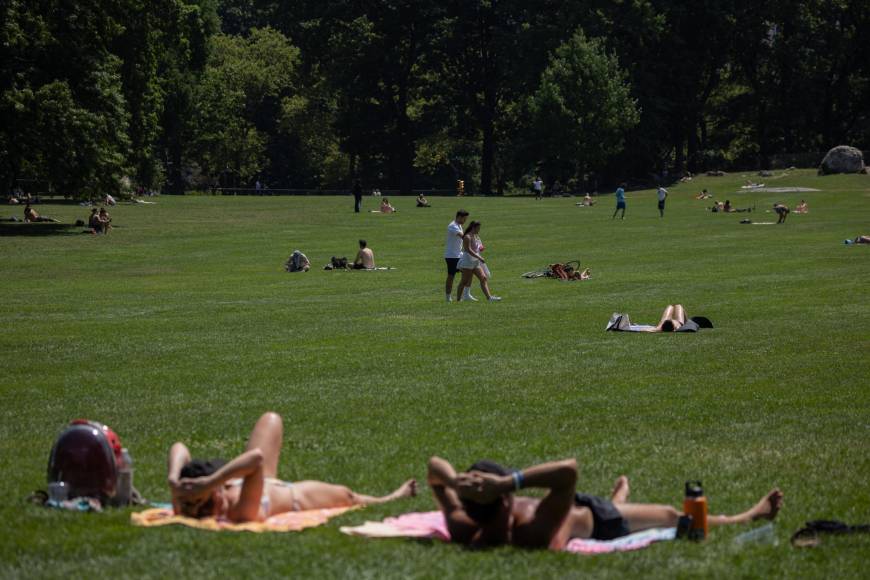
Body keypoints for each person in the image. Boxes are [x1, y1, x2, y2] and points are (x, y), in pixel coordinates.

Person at [427, 456, 782, 550]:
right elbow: (568, 470)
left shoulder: (463, 518)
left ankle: (617, 496)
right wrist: (508, 481)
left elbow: (433, 467)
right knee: (674, 518)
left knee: (592, 502)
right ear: (505, 500)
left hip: (569, 504)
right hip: (598, 520)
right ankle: (747, 516)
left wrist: (456, 480)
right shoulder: (532, 530)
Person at [167, 412, 416, 522]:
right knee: (347, 496)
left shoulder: (183, 500)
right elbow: (255, 459)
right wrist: (211, 484)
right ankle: (390, 498)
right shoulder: (240, 512)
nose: (215, 503)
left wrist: (173, 480)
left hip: (261, 480)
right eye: (210, 503)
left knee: (270, 419)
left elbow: (179, 447)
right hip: (291, 495)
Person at [455, 221, 500, 302]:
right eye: (478, 228)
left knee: (483, 278)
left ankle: (489, 298)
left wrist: (480, 248)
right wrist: (479, 257)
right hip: (468, 261)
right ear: (473, 228)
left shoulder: (475, 236)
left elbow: (476, 247)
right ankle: (458, 300)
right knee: (464, 281)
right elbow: (468, 250)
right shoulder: (467, 237)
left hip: (474, 261)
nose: (479, 230)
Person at [444, 210, 469, 303]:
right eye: (464, 218)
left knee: (468, 272)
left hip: (459, 254)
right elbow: (462, 236)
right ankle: (448, 298)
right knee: (451, 276)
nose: (465, 221)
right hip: (452, 256)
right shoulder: (452, 226)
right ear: (459, 217)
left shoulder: (459, 225)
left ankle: (466, 295)